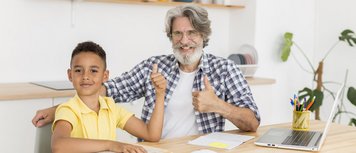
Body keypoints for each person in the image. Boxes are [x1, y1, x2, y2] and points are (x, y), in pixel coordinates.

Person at [33, 4, 260, 139]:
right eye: (177, 34)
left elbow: (253, 122)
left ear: (203, 36)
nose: (184, 41)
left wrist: (218, 105)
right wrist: (59, 109)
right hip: (155, 149)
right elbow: (108, 90)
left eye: (191, 33)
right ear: (170, 37)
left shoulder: (225, 70)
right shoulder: (154, 66)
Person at [51, 41, 166, 153]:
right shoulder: (68, 110)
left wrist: (160, 94)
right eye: (78, 70)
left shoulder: (111, 107)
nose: (85, 76)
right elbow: (58, 146)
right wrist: (111, 145)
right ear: (70, 75)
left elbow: (152, 135)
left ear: (105, 76)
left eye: (93, 71)